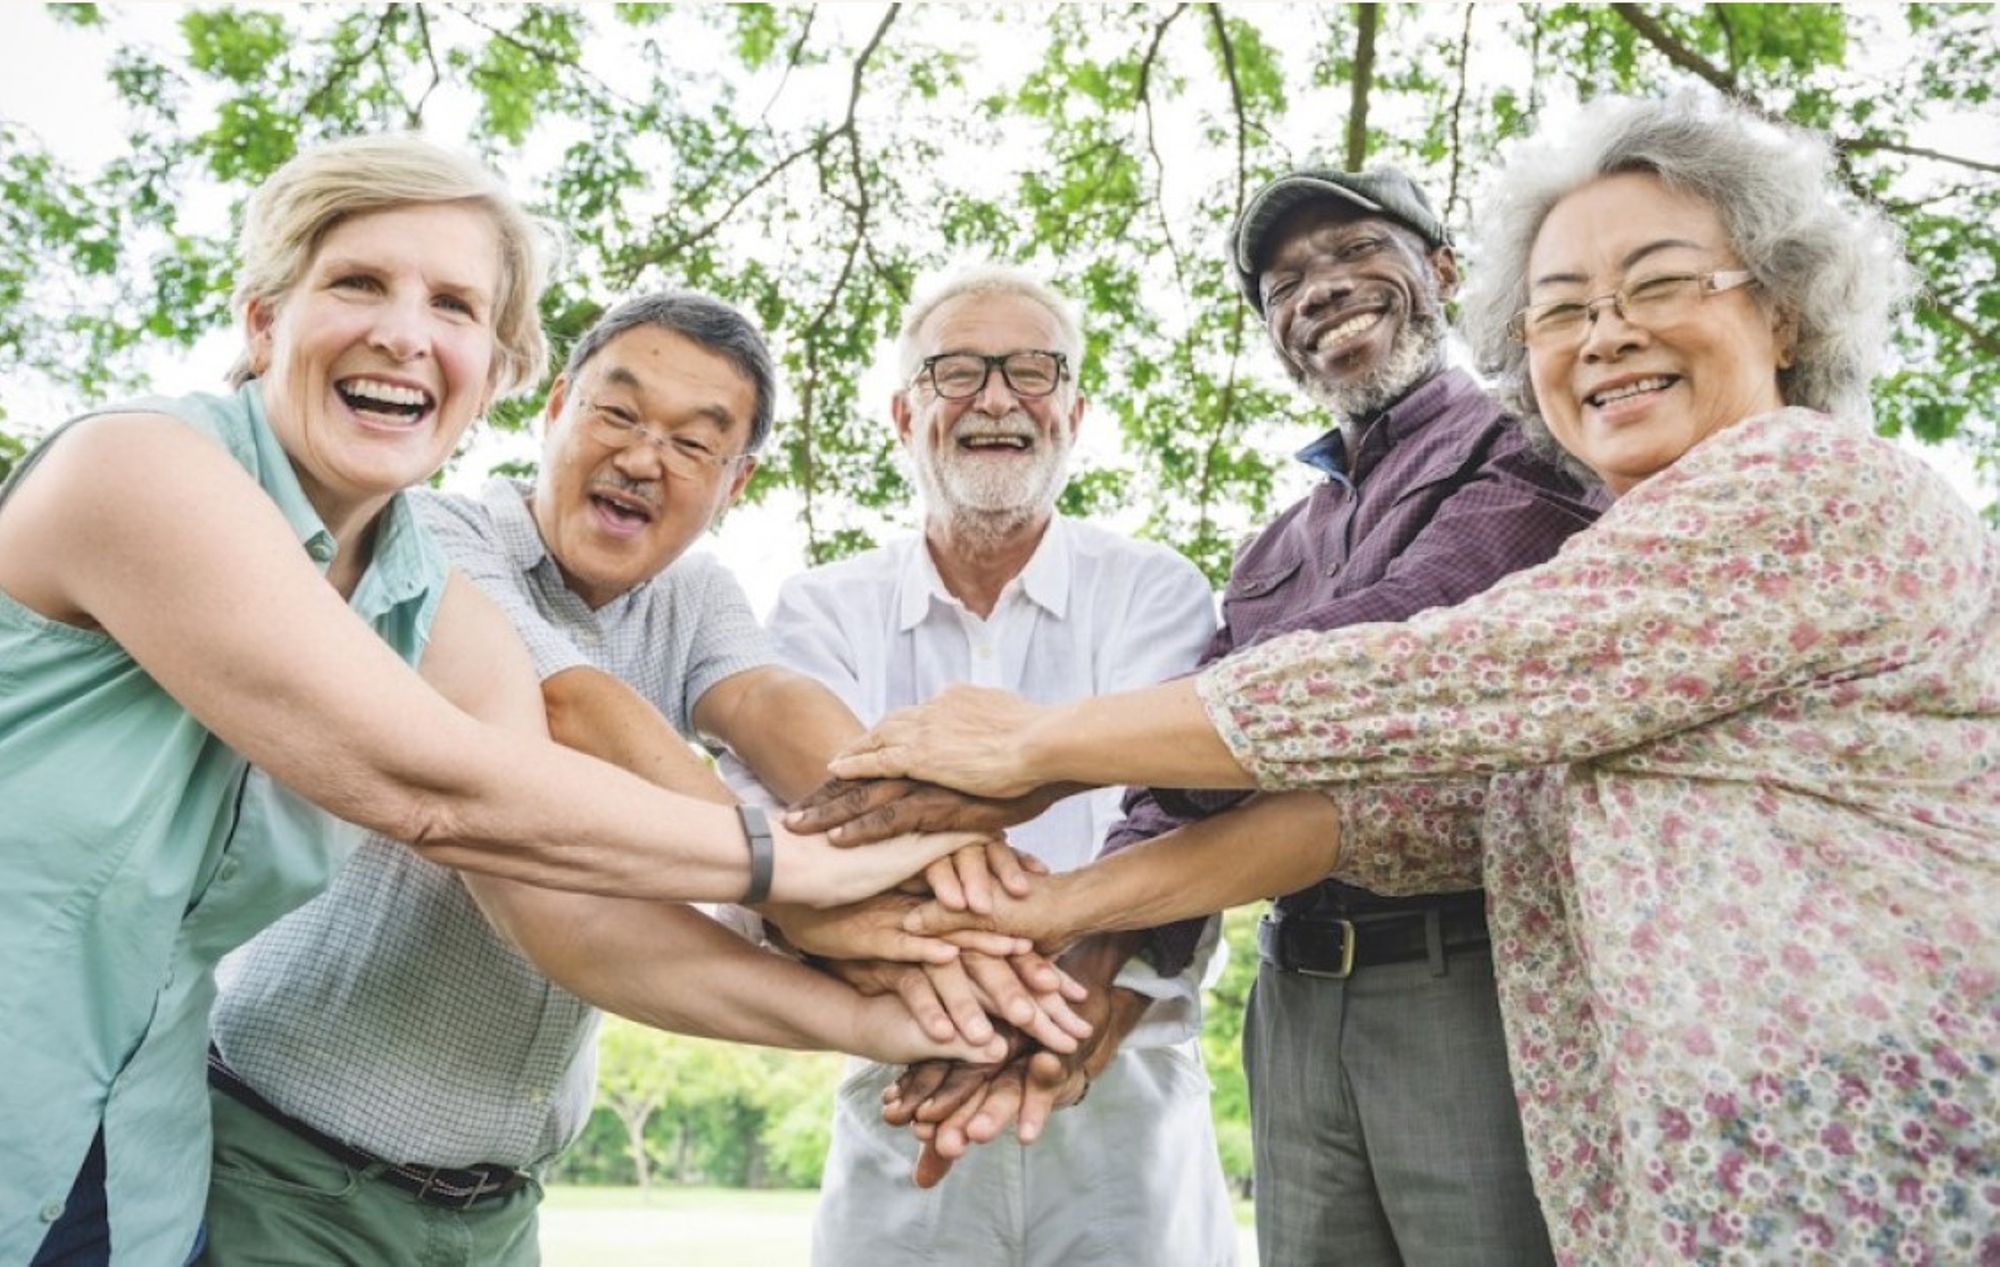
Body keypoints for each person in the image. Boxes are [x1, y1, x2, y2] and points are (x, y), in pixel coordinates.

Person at [830, 94, 2000, 1261]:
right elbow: (1402, 815)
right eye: (1561, 310)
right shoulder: (1290, 546)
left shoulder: (1793, 484)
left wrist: (1035, 748)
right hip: (1657, 1133)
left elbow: (1432, 672)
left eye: (1656, 286)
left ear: (1783, 312)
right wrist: (1067, 921)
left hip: (1860, 1134)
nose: (1603, 335)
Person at [0, 135, 966, 1266]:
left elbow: (559, 891)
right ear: (263, 322)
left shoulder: (419, 589)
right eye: (359, 281)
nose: (406, 332)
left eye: (454, 305)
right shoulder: (138, 467)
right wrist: (804, 866)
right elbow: (441, 786)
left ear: (493, 364)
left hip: (129, 1165)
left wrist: (895, 1003)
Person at [805, 168, 1599, 1265]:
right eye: (1283, 281)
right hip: (1291, 993)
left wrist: (1042, 757)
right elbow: (1178, 785)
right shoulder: (1274, 550)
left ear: (1443, 273)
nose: (1319, 289)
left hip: (1456, 970)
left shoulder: (1523, 444)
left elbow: (1389, 652)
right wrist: (1080, 979)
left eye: (1355, 251)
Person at [200, 290, 1014, 1265]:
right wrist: (799, 891)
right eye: (617, 413)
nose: (640, 458)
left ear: (735, 483)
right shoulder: (433, 537)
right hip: (290, 1170)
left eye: (693, 442)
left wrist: (932, 885)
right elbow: (567, 707)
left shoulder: (697, 595)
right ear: (552, 411)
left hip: (496, 1212)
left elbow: (764, 707)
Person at [756, 265, 1235, 1266]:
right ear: (902, 412)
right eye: (956, 371)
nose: (996, 398)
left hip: (1126, 1079)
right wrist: (990, 1001)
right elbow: (805, 825)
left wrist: (1082, 990)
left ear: (1073, 408)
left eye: (1031, 371)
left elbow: (1176, 803)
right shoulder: (820, 610)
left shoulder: (1152, 588)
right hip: (907, 1078)